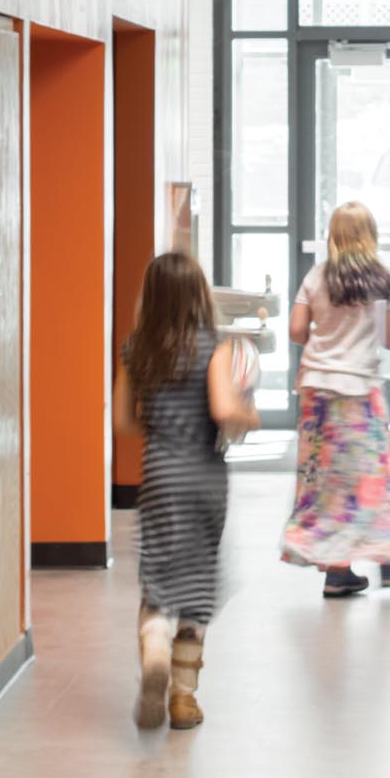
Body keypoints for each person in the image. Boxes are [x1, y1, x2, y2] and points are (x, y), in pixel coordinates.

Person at [113, 250, 259, 731]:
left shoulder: (137, 349)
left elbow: (123, 422)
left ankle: (153, 649)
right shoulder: (213, 347)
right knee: (197, 584)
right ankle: (182, 699)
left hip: (159, 473)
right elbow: (222, 410)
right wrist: (247, 413)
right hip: (204, 476)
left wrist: (160, 424)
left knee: (158, 577)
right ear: (199, 295)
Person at [278, 200, 390, 597]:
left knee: (327, 480)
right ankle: (386, 563)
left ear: (333, 236)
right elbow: (389, 340)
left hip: (319, 391)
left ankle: (339, 571)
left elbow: (295, 330)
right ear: (370, 234)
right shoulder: (382, 280)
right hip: (360, 391)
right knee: (373, 476)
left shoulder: (316, 276)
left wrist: (326, 337)